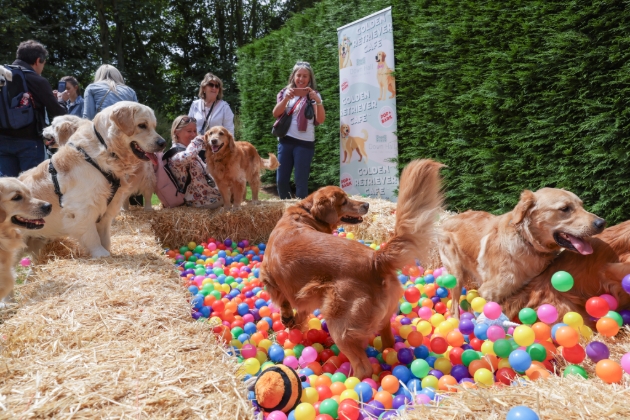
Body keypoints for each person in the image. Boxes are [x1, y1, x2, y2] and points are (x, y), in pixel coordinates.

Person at [0, 40, 67, 177]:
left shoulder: (2, 77)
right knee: (32, 189)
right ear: (38, 61)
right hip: (29, 143)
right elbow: (59, 113)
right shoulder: (37, 80)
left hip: (2, 141)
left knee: (5, 190)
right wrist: (61, 100)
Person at [272, 61, 325, 199]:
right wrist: (285, 100)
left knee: (301, 182)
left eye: (305, 76)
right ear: (293, 77)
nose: (301, 79)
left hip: (305, 143)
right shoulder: (285, 92)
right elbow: (276, 114)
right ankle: (287, 209)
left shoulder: (314, 95)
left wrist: (317, 101)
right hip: (286, 141)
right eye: (298, 75)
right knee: (281, 180)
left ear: (310, 79)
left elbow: (320, 120)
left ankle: (301, 214)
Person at [165, 115, 223, 208]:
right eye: (189, 131)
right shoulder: (175, 154)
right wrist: (197, 141)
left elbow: (205, 173)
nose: (193, 134)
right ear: (177, 132)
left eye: (195, 131)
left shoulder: (190, 150)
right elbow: (187, 156)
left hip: (208, 197)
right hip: (200, 202)